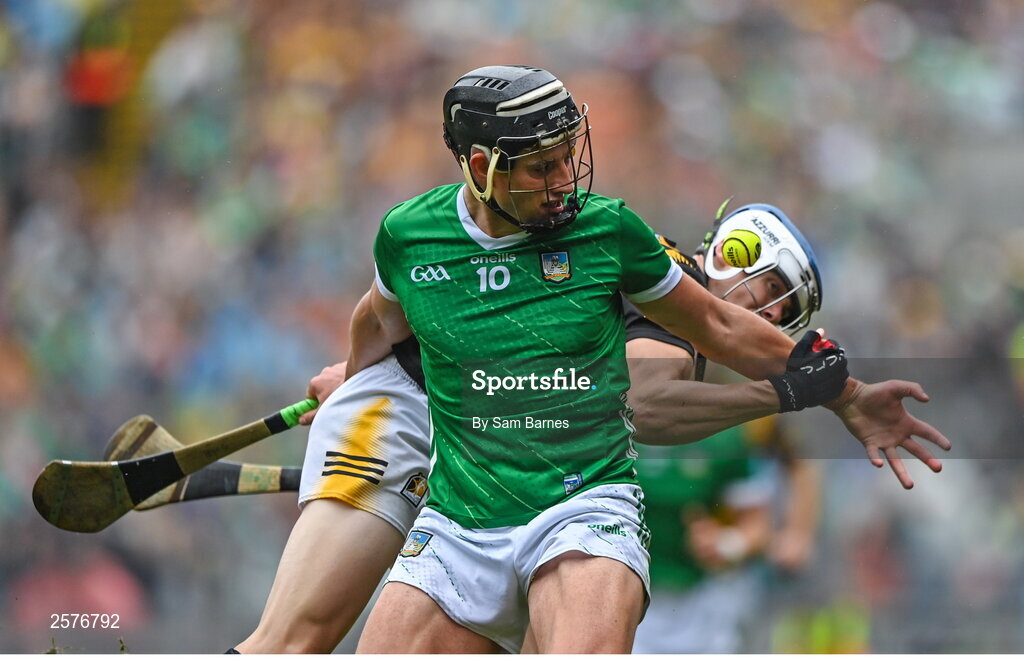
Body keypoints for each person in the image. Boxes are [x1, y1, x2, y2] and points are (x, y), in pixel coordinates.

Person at [339, 65, 947, 654]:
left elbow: (712, 373)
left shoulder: (622, 249)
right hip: (463, 517)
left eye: (566, 154)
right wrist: (352, 386)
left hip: (582, 517)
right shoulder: (415, 235)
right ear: (482, 167)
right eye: (543, 165)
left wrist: (835, 401)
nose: (564, 179)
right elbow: (380, 322)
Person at [229, 203, 815, 654]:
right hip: (406, 419)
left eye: (782, 316)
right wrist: (366, 381)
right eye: (767, 291)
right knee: (290, 643)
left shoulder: (669, 321)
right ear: (732, 257)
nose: (767, 317)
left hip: (460, 453)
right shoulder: (670, 291)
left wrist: (362, 376)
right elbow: (641, 400)